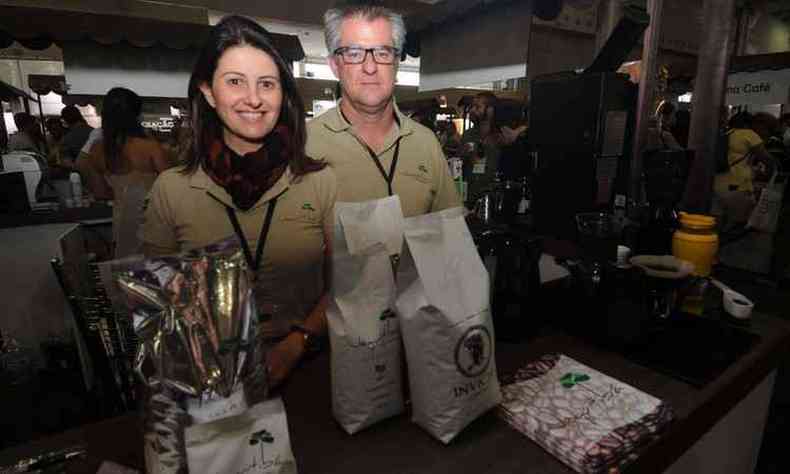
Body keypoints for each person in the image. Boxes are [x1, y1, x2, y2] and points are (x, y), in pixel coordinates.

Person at [140, 15, 336, 390]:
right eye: (235, 82)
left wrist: (298, 343)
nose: (254, 99)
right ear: (209, 92)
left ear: (284, 94)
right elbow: (159, 301)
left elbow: (345, 284)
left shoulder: (319, 182)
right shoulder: (172, 189)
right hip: (209, 382)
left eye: (267, 84)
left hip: (310, 371)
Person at [306, 4, 459, 217]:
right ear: (334, 65)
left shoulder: (426, 143)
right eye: (354, 53)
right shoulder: (304, 145)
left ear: (396, 63)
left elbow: (450, 236)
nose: (370, 68)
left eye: (383, 52)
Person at [713, 111, 773, 232]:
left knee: (716, 228)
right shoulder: (748, 134)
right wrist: (769, 174)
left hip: (717, 186)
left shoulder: (726, 133)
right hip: (738, 187)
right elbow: (767, 159)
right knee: (737, 228)